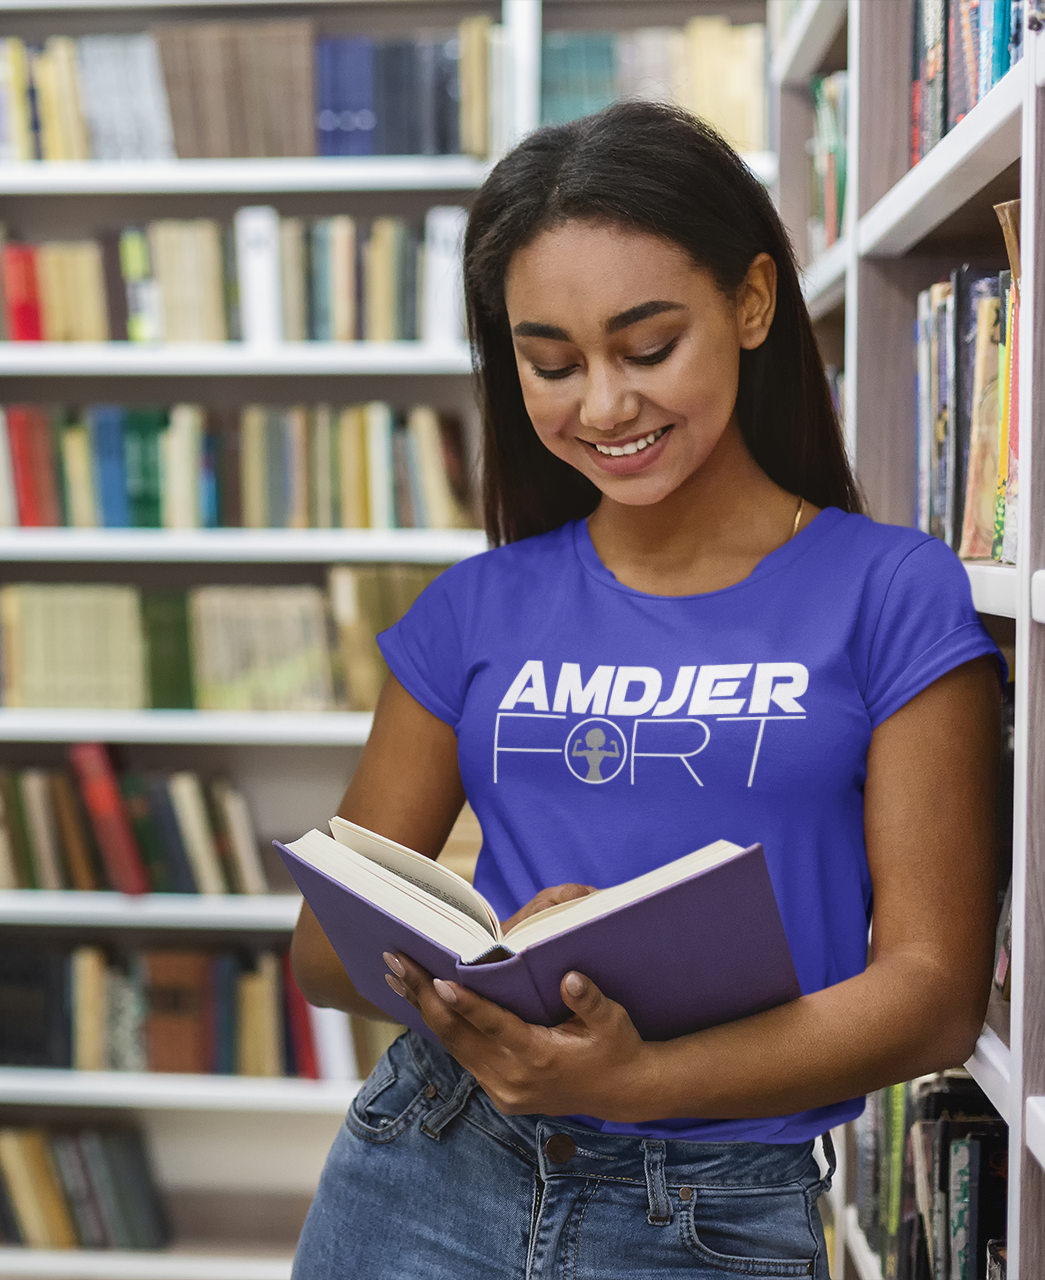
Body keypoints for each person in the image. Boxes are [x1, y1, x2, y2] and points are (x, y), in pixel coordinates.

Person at [289, 101, 1003, 1279]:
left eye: (648, 345)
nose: (605, 406)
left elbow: (932, 994)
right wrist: (493, 960)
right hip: (432, 1160)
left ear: (754, 303)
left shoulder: (890, 591)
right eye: (552, 363)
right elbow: (323, 948)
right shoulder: (475, 609)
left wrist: (635, 1074)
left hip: (708, 1213)